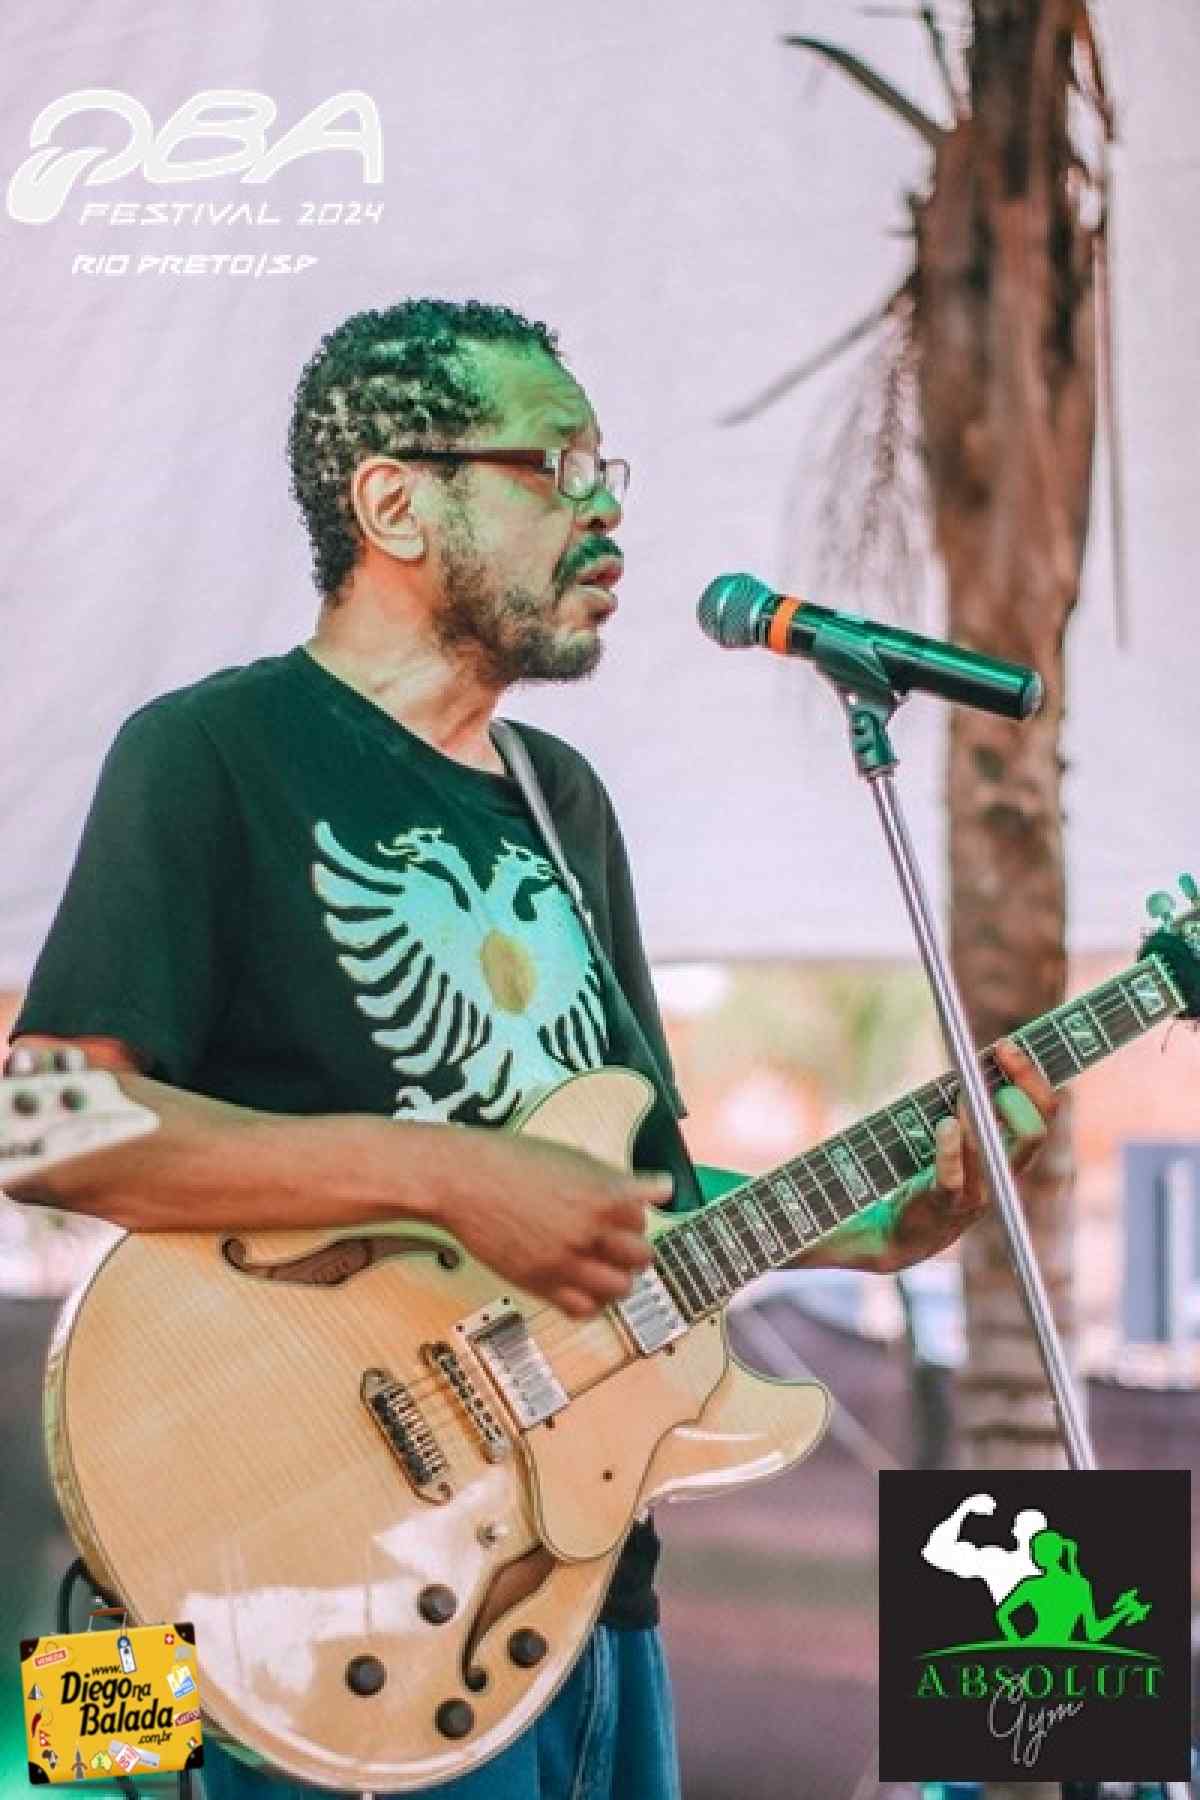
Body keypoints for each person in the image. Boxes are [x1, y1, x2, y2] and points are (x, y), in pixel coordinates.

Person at [8, 297, 1058, 1800]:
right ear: (394, 503)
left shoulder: (563, 804)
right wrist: (442, 1172)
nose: (603, 506)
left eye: (603, 468)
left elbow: (639, 1217)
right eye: (553, 465)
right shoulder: (213, 754)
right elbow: (43, 1126)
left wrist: (874, 1230)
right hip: (321, 1601)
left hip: (586, 1605)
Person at [922, 1491, 1049, 1604]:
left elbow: (934, 1552)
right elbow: (935, 1552)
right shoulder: (997, 1562)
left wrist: (965, 1507)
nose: (1032, 1534)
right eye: (1029, 1527)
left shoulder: (998, 1562)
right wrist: (965, 1507)